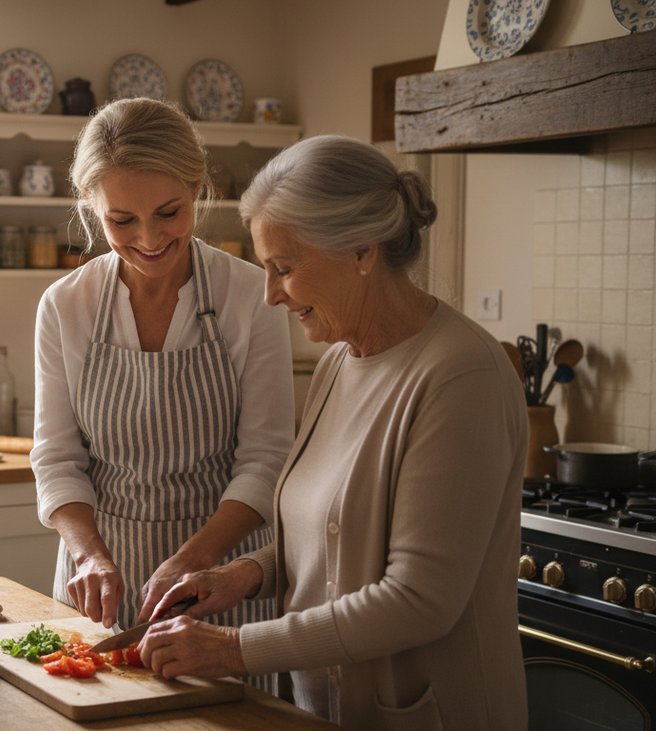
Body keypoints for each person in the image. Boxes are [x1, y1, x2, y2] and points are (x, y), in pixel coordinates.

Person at [138, 135, 528, 729]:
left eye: (285, 268)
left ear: (362, 251)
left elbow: (418, 601)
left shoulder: (460, 375)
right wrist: (243, 575)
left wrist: (234, 650)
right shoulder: (339, 362)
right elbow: (334, 534)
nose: (271, 294)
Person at [30, 98, 295, 691]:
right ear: (91, 207)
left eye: (168, 213)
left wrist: (196, 558)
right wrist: (89, 556)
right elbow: (57, 458)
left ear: (197, 188)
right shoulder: (66, 306)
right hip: (102, 587)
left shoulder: (251, 296)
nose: (148, 239)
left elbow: (265, 458)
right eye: (121, 220)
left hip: (219, 585)